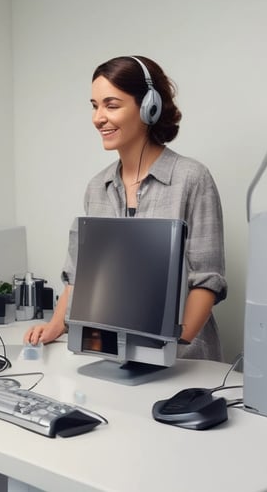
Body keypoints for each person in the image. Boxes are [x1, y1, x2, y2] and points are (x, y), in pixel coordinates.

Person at [25, 56, 227, 361]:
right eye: (94, 106)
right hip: (113, 356)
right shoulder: (98, 187)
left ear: (149, 107)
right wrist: (55, 326)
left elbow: (207, 281)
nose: (98, 118)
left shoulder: (191, 178)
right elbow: (79, 276)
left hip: (183, 360)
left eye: (111, 105)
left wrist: (171, 345)